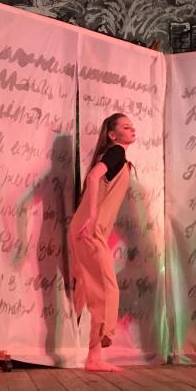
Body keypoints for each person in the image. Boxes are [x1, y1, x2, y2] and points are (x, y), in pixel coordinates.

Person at [69, 113, 137, 373]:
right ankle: (94, 357)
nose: (131, 129)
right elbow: (93, 177)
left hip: (89, 229)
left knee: (87, 289)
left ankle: (88, 354)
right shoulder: (116, 151)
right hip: (89, 229)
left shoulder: (119, 157)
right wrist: (92, 215)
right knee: (106, 289)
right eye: (125, 127)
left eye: (132, 126)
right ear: (112, 134)